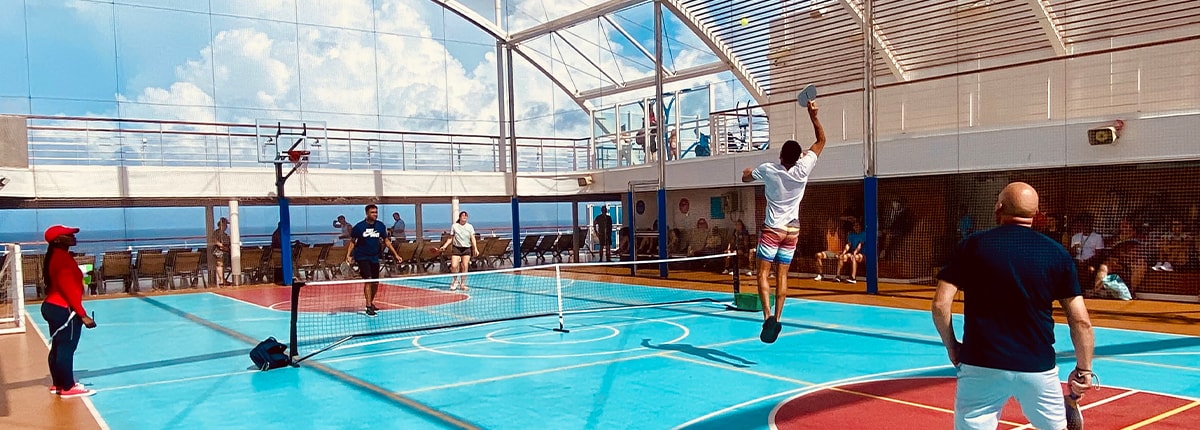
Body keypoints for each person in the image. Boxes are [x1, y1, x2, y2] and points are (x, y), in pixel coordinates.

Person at [932, 182, 1096, 430]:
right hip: (1037, 367)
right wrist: (1084, 370)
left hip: (980, 364)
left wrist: (952, 346)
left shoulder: (972, 246)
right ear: (1037, 214)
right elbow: (1081, 321)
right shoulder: (1056, 253)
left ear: (999, 207)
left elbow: (940, 305)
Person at [741, 99, 825, 344]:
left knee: (762, 274)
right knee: (783, 276)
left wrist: (747, 171)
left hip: (772, 229)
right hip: (792, 230)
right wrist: (813, 116)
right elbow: (821, 141)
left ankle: (767, 316)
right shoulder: (804, 168)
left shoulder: (769, 169)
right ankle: (778, 317)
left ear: (780, 155)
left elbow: (747, 178)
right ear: (799, 156)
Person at [41, 225, 97, 398]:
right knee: (66, 347)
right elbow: (68, 289)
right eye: (69, 235)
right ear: (58, 240)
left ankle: (58, 384)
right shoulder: (62, 260)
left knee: (58, 347)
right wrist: (82, 314)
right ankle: (68, 387)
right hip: (64, 309)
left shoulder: (57, 257)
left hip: (52, 306)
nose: (73, 237)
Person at [345, 204, 402, 317]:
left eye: (376, 212)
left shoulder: (380, 226)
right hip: (362, 256)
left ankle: (371, 301)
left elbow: (386, 241)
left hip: (374, 256)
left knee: (375, 282)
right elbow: (352, 242)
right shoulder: (359, 227)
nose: (375, 214)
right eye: (372, 212)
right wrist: (348, 255)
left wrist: (396, 255)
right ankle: (368, 306)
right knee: (369, 279)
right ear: (367, 213)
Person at [439, 211, 479, 290]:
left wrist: (475, 248)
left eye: (466, 216)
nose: (465, 217)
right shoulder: (454, 226)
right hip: (456, 248)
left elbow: (473, 238)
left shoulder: (470, 227)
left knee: (465, 266)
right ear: (460, 217)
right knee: (454, 266)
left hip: (466, 248)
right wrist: (444, 246)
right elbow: (451, 238)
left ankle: (463, 284)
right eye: (463, 215)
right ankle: (455, 281)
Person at [211, 217, 231, 286]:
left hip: (225, 251)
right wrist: (222, 246)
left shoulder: (225, 234)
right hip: (218, 251)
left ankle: (223, 279)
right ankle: (221, 280)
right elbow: (215, 241)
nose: (226, 226)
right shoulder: (217, 232)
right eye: (225, 224)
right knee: (220, 264)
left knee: (223, 265)